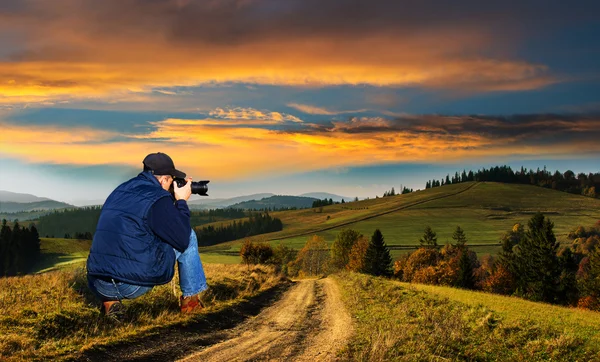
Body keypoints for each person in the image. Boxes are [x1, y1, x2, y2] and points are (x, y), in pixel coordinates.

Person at [87, 152, 208, 316]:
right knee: (189, 236)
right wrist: (181, 201)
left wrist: (169, 199)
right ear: (164, 179)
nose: (173, 185)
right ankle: (191, 302)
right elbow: (181, 238)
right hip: (132, 284)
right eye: (172, 180)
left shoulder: (122, 189)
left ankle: (110, 303)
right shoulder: (157, 197)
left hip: (98, 282)